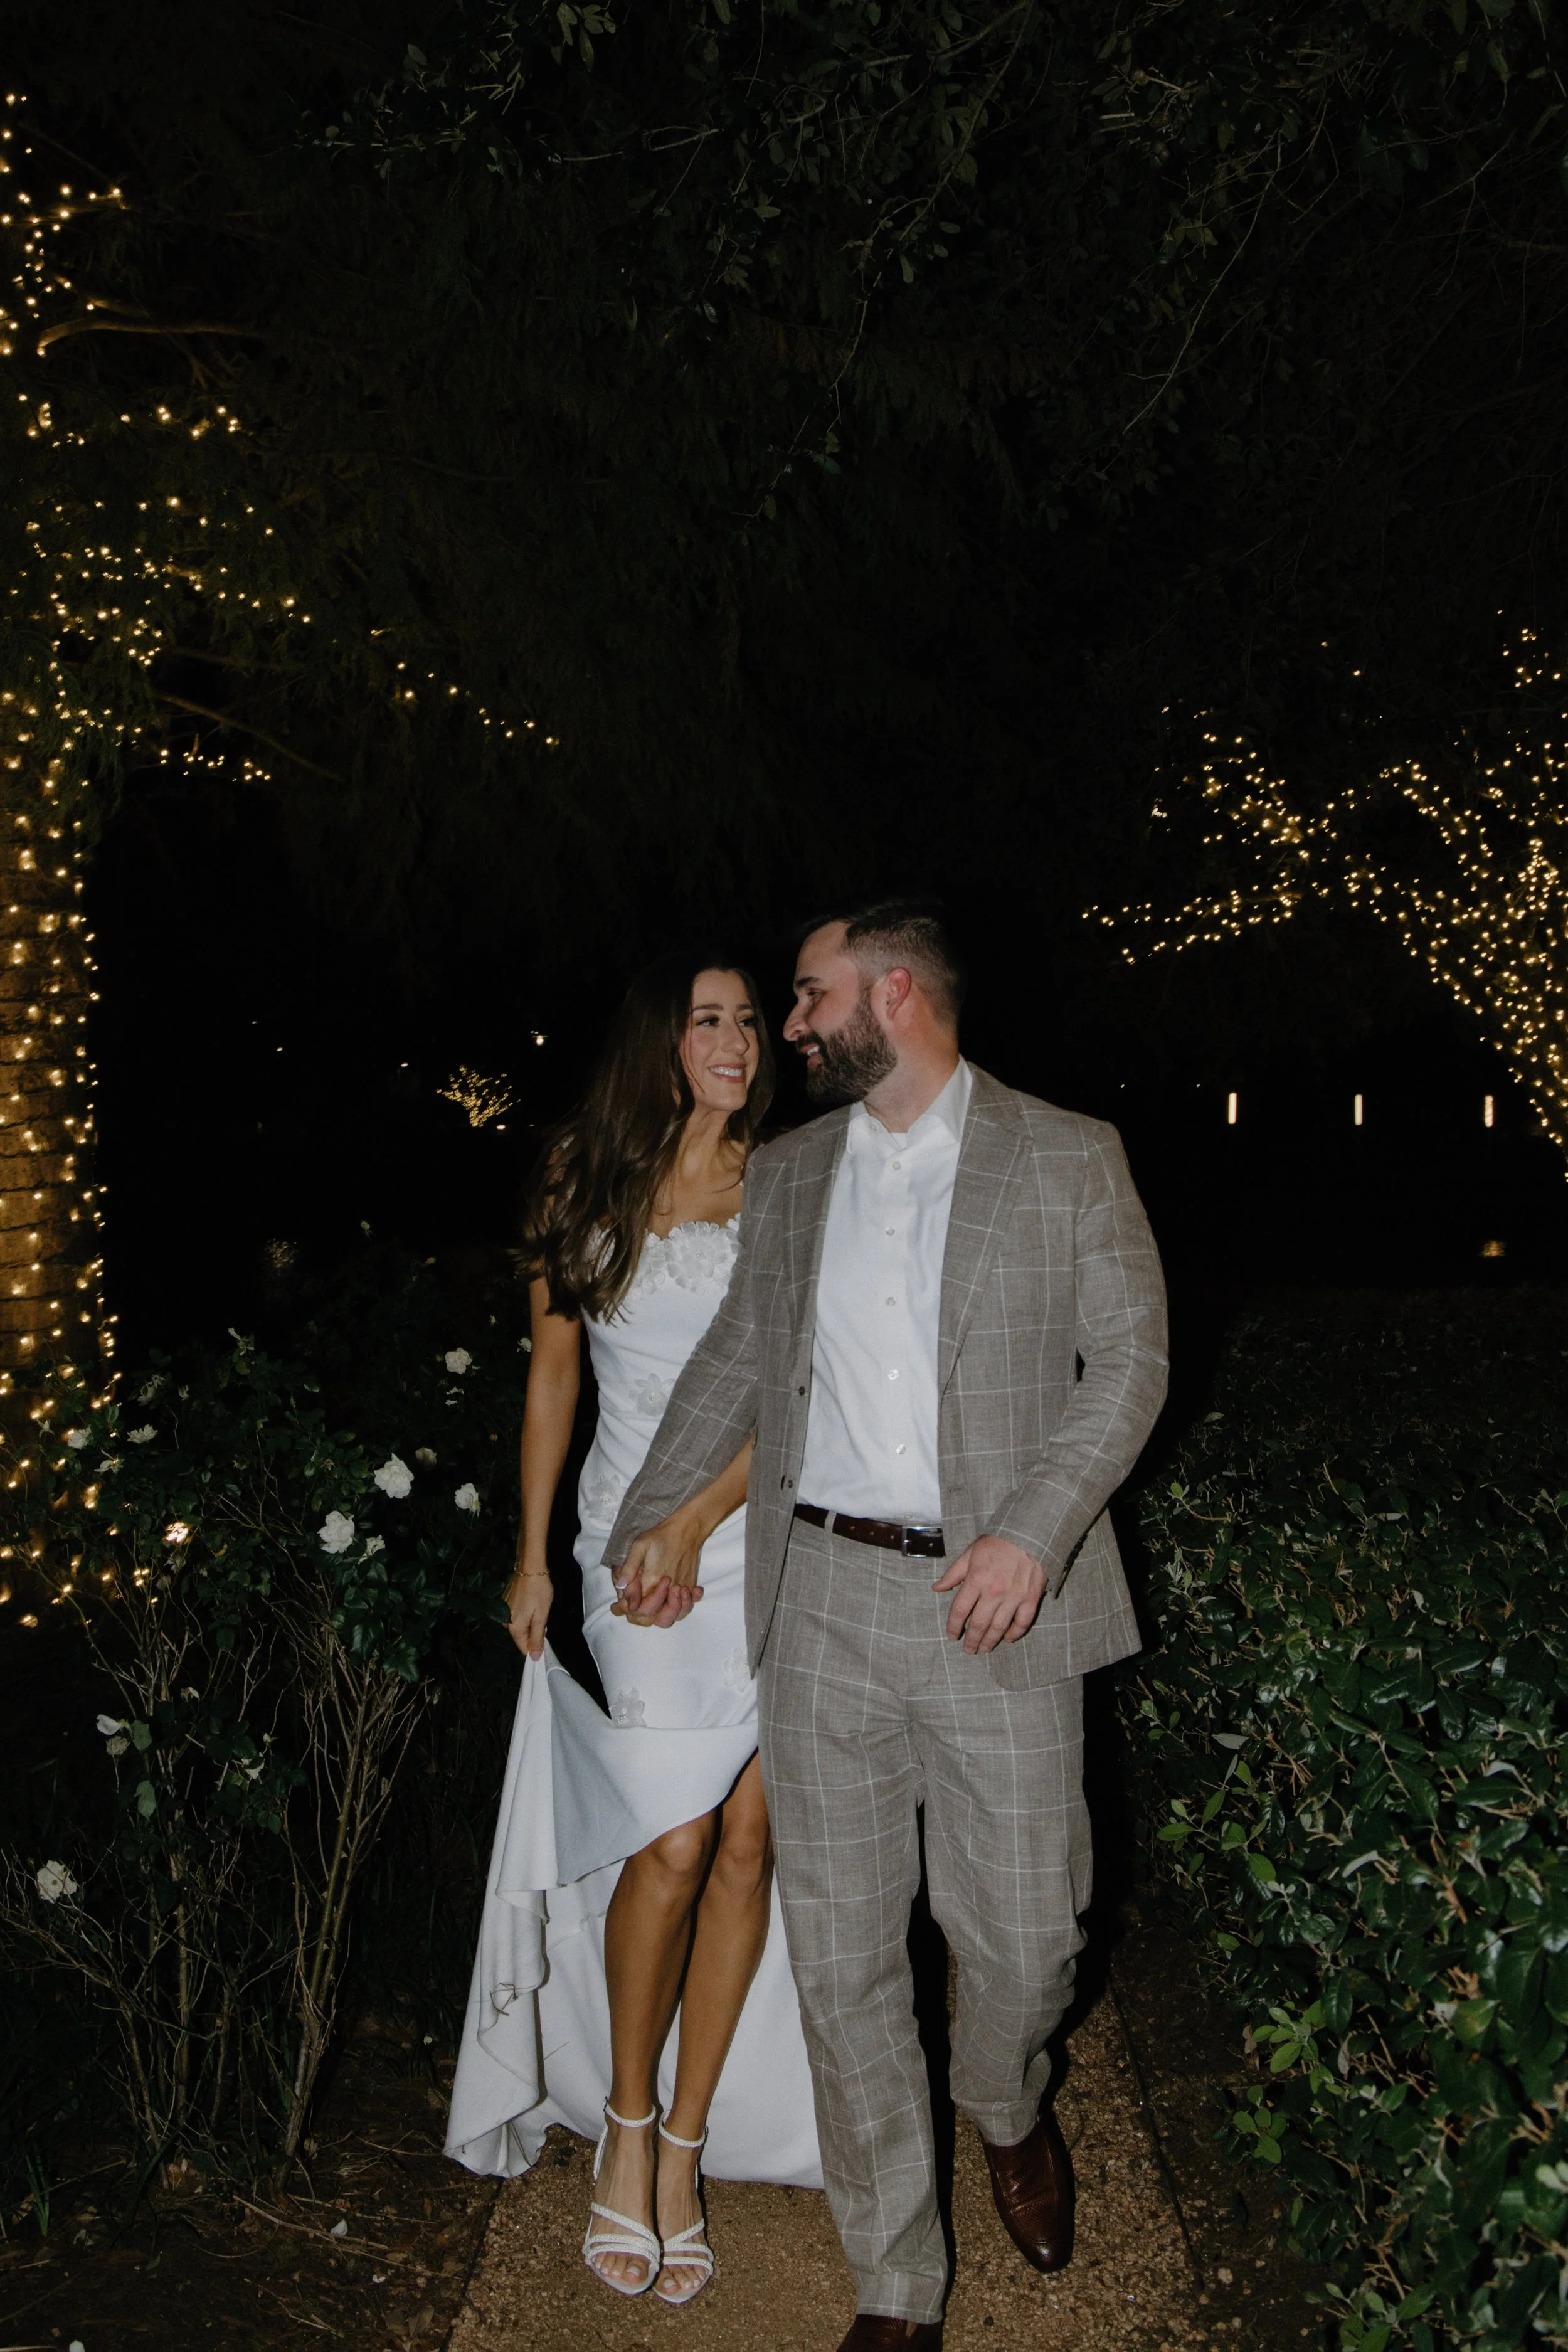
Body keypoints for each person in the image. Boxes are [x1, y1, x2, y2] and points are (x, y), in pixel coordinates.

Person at [607, 900, 1168, 2351]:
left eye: (806, 997)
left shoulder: (1065, 1154)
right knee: (844, 1958)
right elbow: (737, 1360)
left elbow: (1130, 1366)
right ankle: (896, 2283)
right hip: (823, 1607)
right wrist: (655, 1518)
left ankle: (1006, 2106)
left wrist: (1029, 1533)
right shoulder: (790, 1178)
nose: (787, 1027)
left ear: (894, 994)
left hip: (994, 1606)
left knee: (1029, 1936)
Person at [445, 956, 820, 2305]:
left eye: (745, 1022)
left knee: (748, 1841)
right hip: (629, 1550)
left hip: (760, 1542)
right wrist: (533, 1549)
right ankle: (616, 2114)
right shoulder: (576, 1173)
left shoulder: (784, 1178)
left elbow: (799, 1388)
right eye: (707, 1022)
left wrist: (702, 1520)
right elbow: (552, 1372)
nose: (736, 1042)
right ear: (656, 1044)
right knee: (668, 1842)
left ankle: (682, 2140)